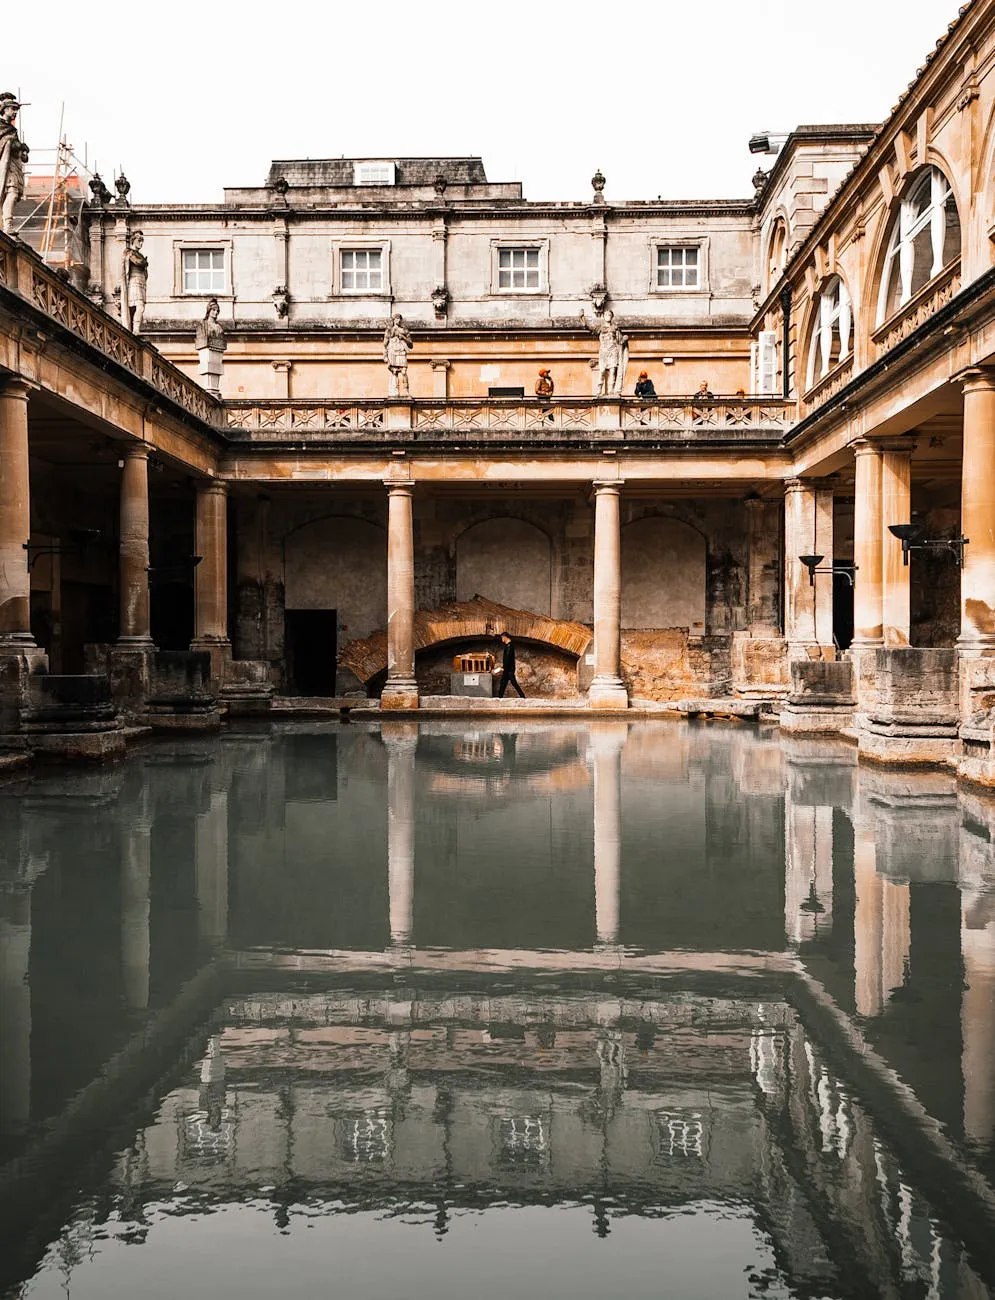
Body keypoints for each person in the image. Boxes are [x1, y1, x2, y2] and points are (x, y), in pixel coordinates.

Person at [0, 94, 28, 237]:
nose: (15, 112)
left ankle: (6, 223)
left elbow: (18, 150)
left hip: (14, 165)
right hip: (5, 167)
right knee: (10, 193)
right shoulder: (1, 126)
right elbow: (4, 143)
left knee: (14, 194)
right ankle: (7, 224)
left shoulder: (12, 130)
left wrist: (22, 150)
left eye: (16, 109)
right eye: (13, 109)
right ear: (4, 109)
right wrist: (14, 143)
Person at [122, 231, 148, 332]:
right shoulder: (129, 252)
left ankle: (135, 329)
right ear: (133, 240)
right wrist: (144, 262)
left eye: (142, 241)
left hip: (141, 282)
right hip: (134, 281)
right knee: (138, 307)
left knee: (139, 307)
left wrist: (144, 262)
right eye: (139, 240)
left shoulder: (139, 254)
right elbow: (138, 262)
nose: (141, 243)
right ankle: (135, 330)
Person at [382, 313, 412, 397]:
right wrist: (385, 355)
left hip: (402, 351)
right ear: (393, 320)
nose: (398, 320)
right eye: (396, 318)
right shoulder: (389, 330)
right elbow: (385, 343)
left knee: (403, 371)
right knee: (394, 372)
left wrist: (403, 337)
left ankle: (406, 390)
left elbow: (411, 344)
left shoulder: (404, 330)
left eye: (399, 319)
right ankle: (394, 391)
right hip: (392, 351)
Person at [496, 632, 525, 698]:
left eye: (502, 638)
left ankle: (522, 696)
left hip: (508, 670)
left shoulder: (509, 646)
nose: (501, 640)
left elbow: (508, 658)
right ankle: (500, 697)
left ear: (505, 637)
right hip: (509, 669)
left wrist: (504, 668)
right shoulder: (509, 646)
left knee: (510, 683)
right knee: (504, 683)